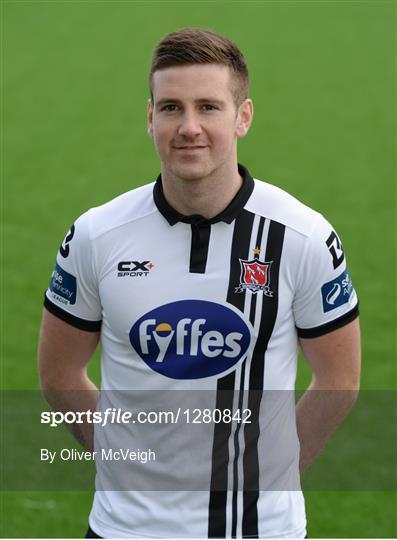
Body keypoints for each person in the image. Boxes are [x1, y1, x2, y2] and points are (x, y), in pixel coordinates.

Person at [38, 28, 361, 539]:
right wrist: (122, 463)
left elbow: (340, 380)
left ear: (243, 117)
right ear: (150, 119)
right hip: (123, 530)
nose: (189, 127)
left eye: (208, 107)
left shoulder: (302, 237)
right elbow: (59, 371)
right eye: (170, 108)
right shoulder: (96, 235)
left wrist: (271, 481)